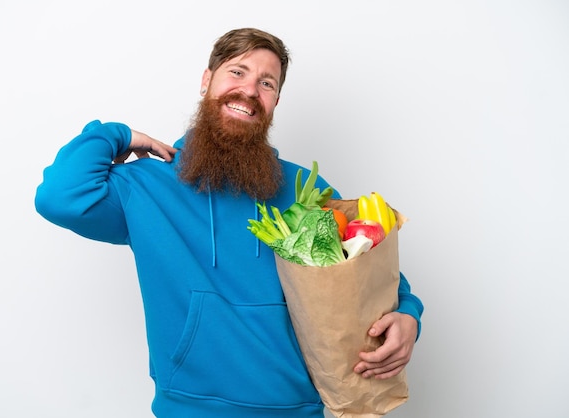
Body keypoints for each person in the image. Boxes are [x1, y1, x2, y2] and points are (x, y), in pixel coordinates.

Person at [35, 27, 424, 418]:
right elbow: (60, 198)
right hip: (188, 409)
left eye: (266, 83)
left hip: (301, 409)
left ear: (275, 101)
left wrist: (408, 313)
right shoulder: (147, 187)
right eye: (237, 72)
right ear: (207, 80)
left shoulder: (306, 188)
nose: (250, 91)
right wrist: (115, 135)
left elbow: (367, 269)